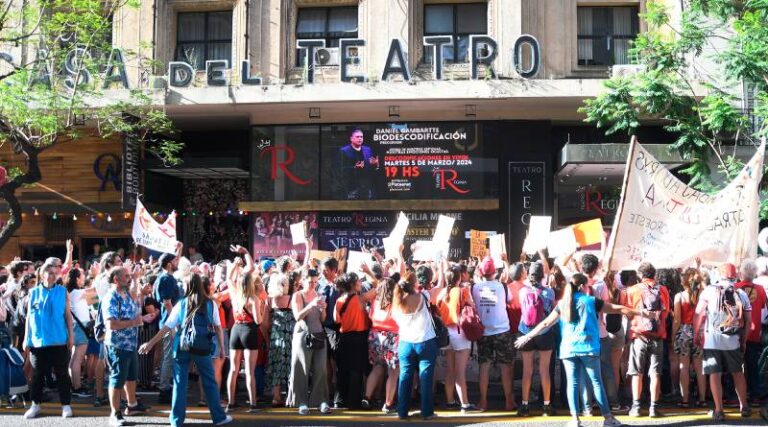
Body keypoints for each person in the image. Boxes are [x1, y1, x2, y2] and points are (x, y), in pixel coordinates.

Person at [516, 273, 645, 427]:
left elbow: (545, 324)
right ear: (584, 287)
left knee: (573, 383)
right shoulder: (591, 301)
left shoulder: (563, 303)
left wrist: (527, 336)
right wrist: (643, 313)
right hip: (589, 347)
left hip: (568, 349)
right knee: (597, 383)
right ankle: (608, 418)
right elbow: (619, 309)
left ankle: (575, 419)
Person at [139, 274, 231, 427]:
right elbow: (218, 328)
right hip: (202, 347)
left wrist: (149, 343)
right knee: (209, 382)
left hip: (182, 346)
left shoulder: (181, 304)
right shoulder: (210, 304)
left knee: (179, 383)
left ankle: (176, 420)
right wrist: (222, 348)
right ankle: (218, 417)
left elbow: (167, 327)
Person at [694, 263, 753, 421]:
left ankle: (719, 410)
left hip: (712, 340)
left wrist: (696, 334)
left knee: (715, 374)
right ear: (735, 275)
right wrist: (744, 340)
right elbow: (748, 321)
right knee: (737, 373)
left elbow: (699, 314)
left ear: (719, 274)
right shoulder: (741, 293)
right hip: (733, 340)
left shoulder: (709, 291)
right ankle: (744, 406)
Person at [23, 258, 74, 419]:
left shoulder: (62, 291)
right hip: (39, 342)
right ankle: (35, 404)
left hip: (59, 340)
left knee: (62, 374)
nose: (52, 276)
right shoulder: (33, 292)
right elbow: (29, 318)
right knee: (37, 375)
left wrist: (71, 336)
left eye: (55, 273)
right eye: (49, 273)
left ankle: (66, 405)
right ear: (42, 274)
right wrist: (26, 338)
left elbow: (68, 316)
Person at [102, 266, 148, 427]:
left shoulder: (127, 293)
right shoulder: (111, 297)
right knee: (117, 379)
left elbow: (135, 295)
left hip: (130, 344)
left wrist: (135, 278)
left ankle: (132, 405)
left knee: (131, 377)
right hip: (118, 345)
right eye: (126, 276)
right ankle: (114, 413)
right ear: (116, 279)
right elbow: (110, 324)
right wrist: (134, 323)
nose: (129, 278)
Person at [625, 262, 670, 418]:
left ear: (640, 275)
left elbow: (628, 313)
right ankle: (653, 408)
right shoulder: (663, 290)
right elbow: (666, 312)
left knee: (637, 372)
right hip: (658, 335)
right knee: (655, 373)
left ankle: (636, 407)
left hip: (639, 336)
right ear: (654, 274)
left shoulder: (632, 290)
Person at [392, 272, 438, 420]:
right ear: (414, 284)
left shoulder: (397, 302)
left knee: (405, 377)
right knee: (426, 377)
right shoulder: (422, 296)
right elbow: (440, 287)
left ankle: (402, 411)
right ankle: (427, 412)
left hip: (405, 342)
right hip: (425, 341)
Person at [472, 256, 516, 411]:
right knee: (505, 367)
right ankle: (509, 401)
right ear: (495, 272)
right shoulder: (502, 287)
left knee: (484, 367)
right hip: (502, 331)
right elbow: (510, 301)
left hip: (484, 332)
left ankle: (483, 401)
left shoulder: (475, 287)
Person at [436, 264, 481, 413]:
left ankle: (450, 401)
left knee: (450, 369)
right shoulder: (463, 291)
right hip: (459, 332)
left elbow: (437, 309)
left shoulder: (442, 292)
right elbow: (473, 307)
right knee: (460, 371)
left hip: (445, 333)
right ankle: (465, 404)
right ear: (459, 278)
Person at [288, 268, 331, 415]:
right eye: (310, 282)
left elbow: (323, 319)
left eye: (315, 281)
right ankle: (301, 401)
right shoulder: (297, 295)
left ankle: (320, 400)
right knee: (301, 369)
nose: (313, 284)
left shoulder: (319, 295)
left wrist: (323, 309)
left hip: (318, 334)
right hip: (303, 334)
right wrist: (311, 305)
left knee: (321, 369)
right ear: (303, 281)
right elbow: (297, 316)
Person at [226, 246, 263, 413]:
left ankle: (231, 402)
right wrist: (246, 252)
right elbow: (258, 320)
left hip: (235, 330)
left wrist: (235, 264)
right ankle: (253, 404)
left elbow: (228, 278)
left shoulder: (234, 294)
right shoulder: (253, 298)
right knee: (249, 371)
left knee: (233, 369)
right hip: (249, 331)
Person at [518, 261, 555, 417]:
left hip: (525, 332)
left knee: (527, 371)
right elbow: (552, 310)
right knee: (544, 370)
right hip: (544, 332)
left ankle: (525, 406)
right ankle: (546, 406)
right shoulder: (549, 292)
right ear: (542, 276)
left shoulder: (523, 291)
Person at [333, 272, 372, 409]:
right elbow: (378, 289)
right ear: (353, 284)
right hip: (358, 338)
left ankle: (339, 400)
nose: (361, 283)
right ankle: (353, 402)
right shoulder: (360, 299)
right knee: (356, 369)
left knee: (343, 369)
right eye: (359, 281)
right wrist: (369, 271)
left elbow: (336, 320)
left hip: (344, 337)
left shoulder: (339, 300)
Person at [364, 276, 400, 413]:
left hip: (375, 336)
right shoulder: (396, 302)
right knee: (393, 371)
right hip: (392, 337)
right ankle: (388, 404)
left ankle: (367, 397)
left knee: (377, 368)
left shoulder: (375, 301)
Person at [672, 267, 707, 407]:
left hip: (684, 332)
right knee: (700, 368)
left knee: (684, 367)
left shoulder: (679, 296)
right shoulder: (703, 294)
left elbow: (677, 321)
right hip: (699, 332)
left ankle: (685, 400)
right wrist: (698, 269)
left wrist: (672, 337)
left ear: (685, 280)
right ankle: (703, 399)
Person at [734, 259, 767, 404]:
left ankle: (732, 395)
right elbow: (763, 308)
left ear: (741, 272)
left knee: (734, 365)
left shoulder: (734, 287)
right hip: (754, 332)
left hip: (737, 332)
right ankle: (755, 394)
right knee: (753, 365)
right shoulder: (760, 289)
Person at [266, 272, 297, 406]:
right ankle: (290, 397)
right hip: (290, 336)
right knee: (290, 366)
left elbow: (265, 322)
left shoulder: (270, 300)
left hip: (275, 336)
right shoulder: (291, 298)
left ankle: (276, 397)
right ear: (284, 285)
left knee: (276, 366)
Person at [153, 253, 180, 404]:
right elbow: (167, 302)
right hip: (169, 323)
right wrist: (174, 323)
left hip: (166, 322)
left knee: (167, 356)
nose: (177, 262)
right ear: (169, 264)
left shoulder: (163, 277)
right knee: (169, 357)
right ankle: (164, 390)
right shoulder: (166, 278)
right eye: (175, 260)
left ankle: (166, 386)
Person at [67, 267, 96, 397]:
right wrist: (96, 274)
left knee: (74, 359)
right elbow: (97, 293)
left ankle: (74, 385)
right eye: (83, 274)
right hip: (79, 328)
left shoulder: (74, 292)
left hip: (76, 327)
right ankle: (77, 388)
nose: (84, 276)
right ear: (77, 278)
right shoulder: (76, 293)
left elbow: (94, 299)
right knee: (78, 359)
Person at [339, 128, 379, 199]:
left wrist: (375, 164)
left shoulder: (368, 149)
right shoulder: (344, 151)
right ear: (351, 138)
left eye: (361, 137)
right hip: (352, 186)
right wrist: (355, 167)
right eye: (357, 137)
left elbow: (373, 168)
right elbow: (340, 169)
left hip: (366, 185)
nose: (360, 139)